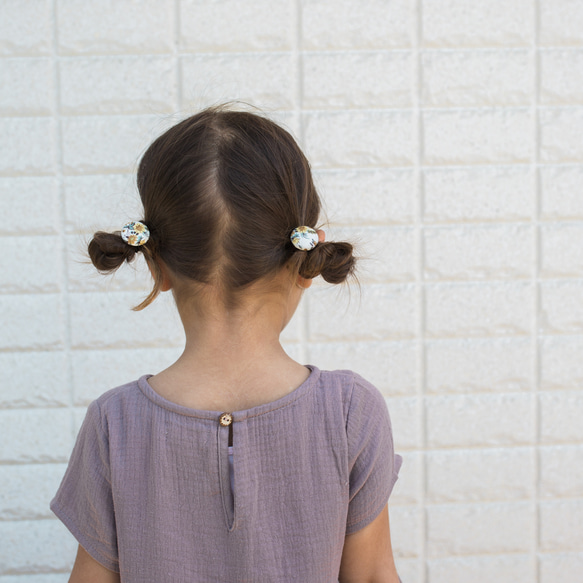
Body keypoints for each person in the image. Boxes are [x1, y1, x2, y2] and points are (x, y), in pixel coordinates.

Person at [50, 104, 403, 583]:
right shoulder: (349, 411)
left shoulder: (115, 424)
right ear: (305, 261)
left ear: (156, 265)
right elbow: (374, 576)